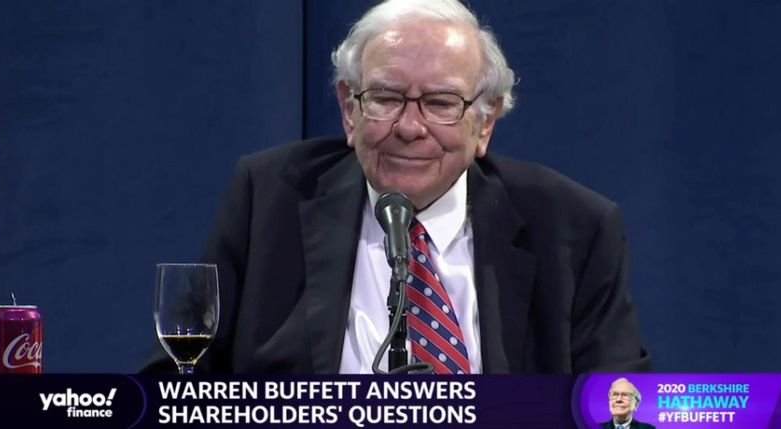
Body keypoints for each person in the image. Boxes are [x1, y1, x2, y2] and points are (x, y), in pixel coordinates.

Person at [143, 0, 649, 373]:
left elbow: (621, 407)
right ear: (348, 108)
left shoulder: (572, 226)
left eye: (442, 103)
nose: (410, 126)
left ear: (486, 122)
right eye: (385, 97)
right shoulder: (269, 197)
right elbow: (177, 390)